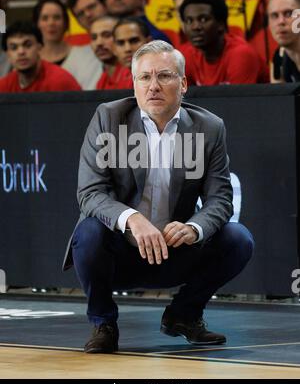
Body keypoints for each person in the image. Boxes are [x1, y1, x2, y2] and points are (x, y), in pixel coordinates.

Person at [62, 39, 254, 354]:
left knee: (238, 238)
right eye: (144, 77)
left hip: (176, 250)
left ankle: (184, 315)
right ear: (134, 84)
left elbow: (221, 199)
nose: (153, 86)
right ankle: (104, 324)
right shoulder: (109, 117)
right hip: (120, 252)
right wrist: (132, 219)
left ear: (184, 84)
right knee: (88, 231)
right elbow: (90, 192)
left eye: (164, 76)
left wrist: (194, 228)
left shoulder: (209, 127)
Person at [179, 0, 269, 85]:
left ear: (221, 24)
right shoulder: (186, 54)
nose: (195, 27)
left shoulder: (241, 54)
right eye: (189, 21)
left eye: (203, 19)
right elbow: (184, 97)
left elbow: (239, 99)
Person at [33, 0, 103, 90]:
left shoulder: (87, 55)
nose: (51, 23)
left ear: (66, 23)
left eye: (57, 17)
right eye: (45, 18)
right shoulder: (28, 60)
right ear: (36, 23)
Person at [0, 21, 81, 93]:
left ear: (40, 47)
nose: (21, 52)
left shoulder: (60, 81)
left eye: (28, 45)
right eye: (14, 47)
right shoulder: (4, 86)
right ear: (8, 54)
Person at [90, 15, 132, 90]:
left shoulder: (132, 75)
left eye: (107, 35)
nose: (99, 43)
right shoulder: (102, 80)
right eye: (94, 37)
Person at [267, 0, 300, 83]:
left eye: (288, 13)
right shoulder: (278, 59)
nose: (281, 22)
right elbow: (278, 97)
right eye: (274, 15)